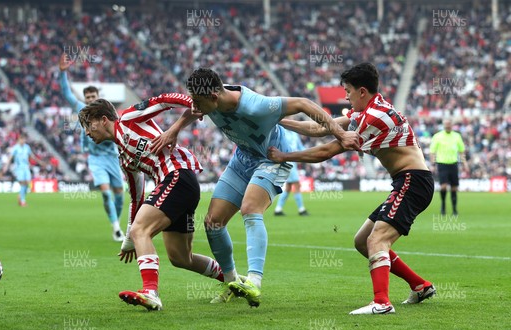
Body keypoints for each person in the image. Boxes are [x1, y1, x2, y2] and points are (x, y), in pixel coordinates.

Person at [151, 67, 359, 307]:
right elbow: (192, 111)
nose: (195, 107)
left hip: (273, 158)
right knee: (213, 223)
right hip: (242, 159)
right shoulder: (207, 100)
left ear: (214, 98)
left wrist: (341, 135)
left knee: (250, 209)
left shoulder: (256, 105)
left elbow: (303, 103)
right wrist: (173, 129)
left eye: (198, 102)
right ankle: (231, 282)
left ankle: (254, 282)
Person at [268, 62, 436, 315]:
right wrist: (280, 121)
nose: (344, 96)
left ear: (362, 91)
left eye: (347, 90)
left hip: (414, 181)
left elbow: (326, 152)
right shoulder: (366, 111)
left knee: (377, 239)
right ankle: (420, 285)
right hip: (407, 181)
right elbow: (319, 128)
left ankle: (381, 303)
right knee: (362, 242)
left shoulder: (374, 117)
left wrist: (284, 156)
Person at [78, 94, 225, 311]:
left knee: (142, 230)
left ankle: (150, 292)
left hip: (177, 175)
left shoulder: (129, 118)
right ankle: (233, 279)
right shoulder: (124, 158)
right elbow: (136, 197)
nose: (87, 132)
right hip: (179, 187)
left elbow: (162, 100)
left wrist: (191, 104)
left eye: (89, 125)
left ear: (103, 119)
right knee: (180, 257)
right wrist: (130, 237)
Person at [59, 54, 125, 241]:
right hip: (95, 159)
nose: (89, 100)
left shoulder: (107, 112)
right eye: (87, 97)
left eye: (92, 97)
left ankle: (117, 224)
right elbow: (66, 94)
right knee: (105, 192)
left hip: (112, 157)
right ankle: (116, 228)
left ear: (98, 97)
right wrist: (63, 73)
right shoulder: (81, 109)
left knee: (119, 196)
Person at [429, 119, 469, 215]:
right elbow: (432, 151)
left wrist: (465, 163)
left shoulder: (457, 136)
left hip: (453, 164)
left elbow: (461, 151)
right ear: (444, 125)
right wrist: (433, 164)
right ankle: (443, 206)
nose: (448, 126)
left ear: (452, 125)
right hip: (442, 164)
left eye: (449, 124)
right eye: (446, 125)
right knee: (443, 187)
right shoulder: (438, 136)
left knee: (454, 188)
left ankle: (454, 209)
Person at [273, 125, 308, 216]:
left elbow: (300, 147)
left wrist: (310, 154)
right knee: (297, 184)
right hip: (287, 161)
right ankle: (301, 209)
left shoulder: (295, 134)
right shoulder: (282, 132)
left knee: (288, 187)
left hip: (294, 161)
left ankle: (278, 209)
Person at [2, 134, 45, 207]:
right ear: (19, 140)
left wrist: (40, 162)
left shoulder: (27, 147)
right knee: (22, 183)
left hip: (26, 167)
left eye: (24, 139)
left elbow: (32, 156)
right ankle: (23, 201)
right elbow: (10, 157)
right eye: (22, 139)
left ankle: (20, 196)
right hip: (19, 168)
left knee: (28, 182)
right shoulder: (15, 148)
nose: (23, 141)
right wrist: (6, 166)